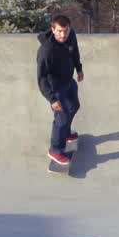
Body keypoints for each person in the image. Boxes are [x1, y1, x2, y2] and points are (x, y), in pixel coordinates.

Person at [36, 14, 84, 166]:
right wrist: (52, 98)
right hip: (55, 86)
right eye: (59, 31)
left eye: (66, 30)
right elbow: (41, 78)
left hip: (68, 80)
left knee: (74, 106)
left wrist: (79, 68)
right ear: (53, 29)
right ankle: (55, 150)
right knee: (61, 118)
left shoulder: (71, 35)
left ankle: (66, 133)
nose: (63, 35)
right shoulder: (46, 51)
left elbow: (74, 51)